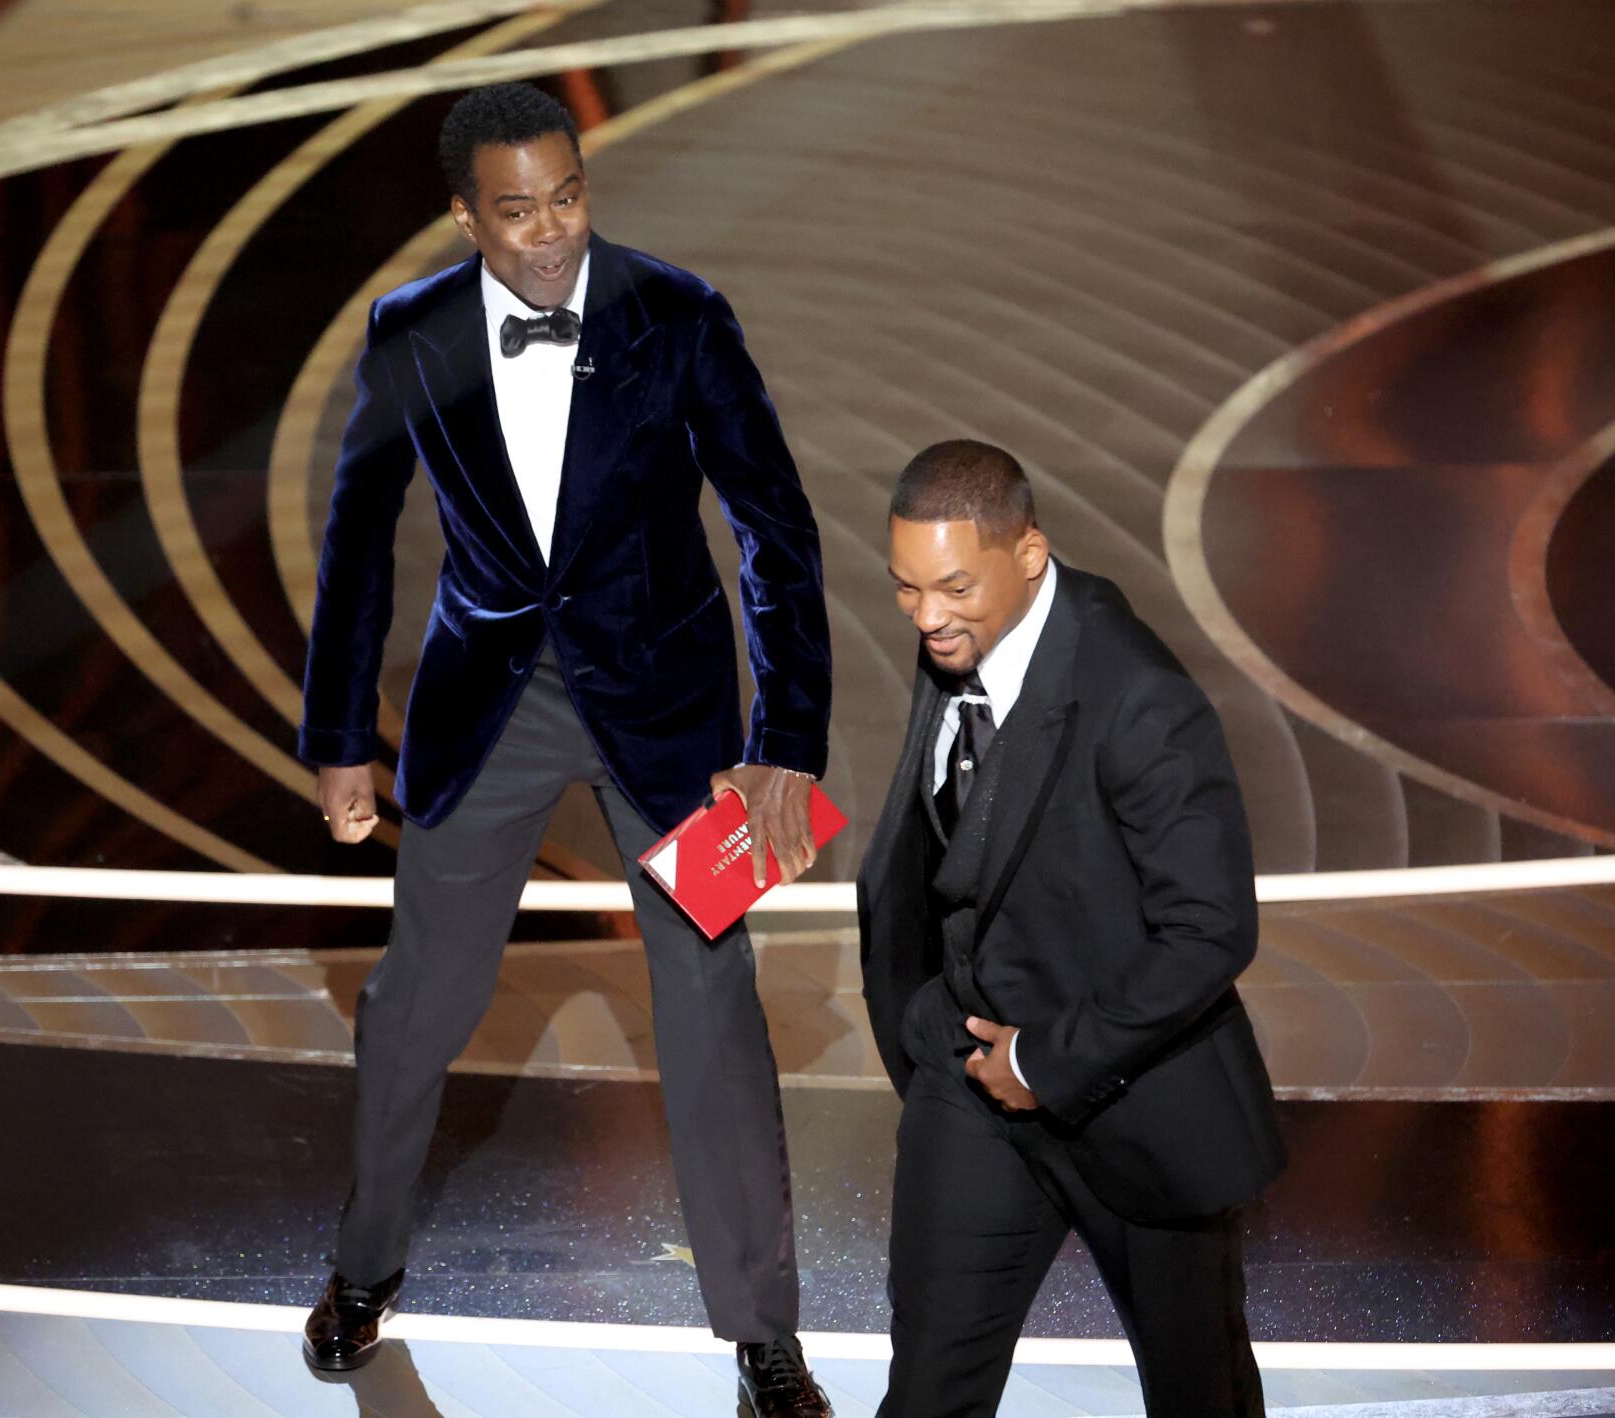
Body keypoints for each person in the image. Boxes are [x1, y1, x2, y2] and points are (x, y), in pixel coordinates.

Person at [295, 82, 835, 1417]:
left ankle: (765, 1335)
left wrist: (786, 741)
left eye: (570, 198)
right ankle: (364, 1267)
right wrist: (339, 735)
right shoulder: (408, 329)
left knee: (712, 1010)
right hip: (490, 705)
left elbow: (775, 528)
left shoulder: (679, 315)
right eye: (518, 210)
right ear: (466, 214)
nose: (550, 234)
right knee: (417, 1000)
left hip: (674, 713)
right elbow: (358, 537)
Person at [858, 440, 1285, 1416]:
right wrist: (932, 1025)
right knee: (926, 1392)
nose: (925, 615)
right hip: (968, 1082)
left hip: (1134, 1105)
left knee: (1199, 1397)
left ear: (1030, 553)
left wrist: (1046, 1060)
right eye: (904, 588)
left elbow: (1210, 927)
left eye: (951, 586)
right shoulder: (958, 631)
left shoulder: (1138, 699)